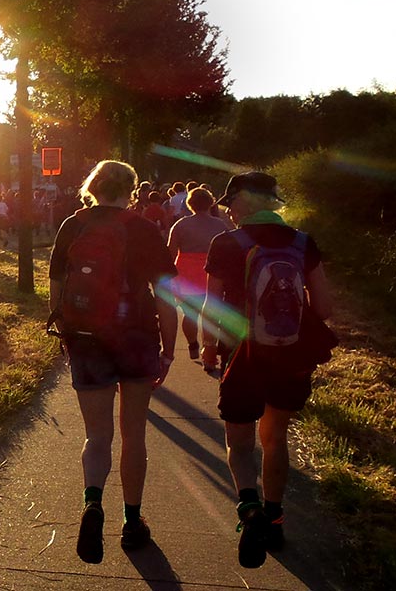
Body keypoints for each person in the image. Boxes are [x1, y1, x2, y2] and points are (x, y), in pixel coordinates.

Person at [200, 171, 333, 569]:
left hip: (242, 356)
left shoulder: (225, 243)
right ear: (272, 203)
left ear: (241, 202)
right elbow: (325, 309)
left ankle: (249, 509)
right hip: (289, 356)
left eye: (231, 203)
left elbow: (211, 306)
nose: (230, 211)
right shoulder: (302, 242)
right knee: (275, 438)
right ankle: (275, 519)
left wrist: (208, 348)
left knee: (239, 444)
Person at [48, 160, 178, 564]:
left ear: (93, 187)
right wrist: (169, 349)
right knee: (133, 434)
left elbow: (56, 287)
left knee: (97, 435)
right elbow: (166, 297)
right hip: (137, 337)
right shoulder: (143, 230)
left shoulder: (73, 224)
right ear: (131, 189)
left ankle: (92, 503)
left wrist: (67, 333)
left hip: (87, 339)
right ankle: (132, 521)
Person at [166, 188, 230, 366]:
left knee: (190, 313)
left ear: (190, 204)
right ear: (211, 203)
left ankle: (193, 344)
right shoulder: (220, 225)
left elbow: (170, 253)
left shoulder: (180, 225)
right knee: (212, 314)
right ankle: (210, 352)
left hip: (187, 272)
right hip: (213, 273)